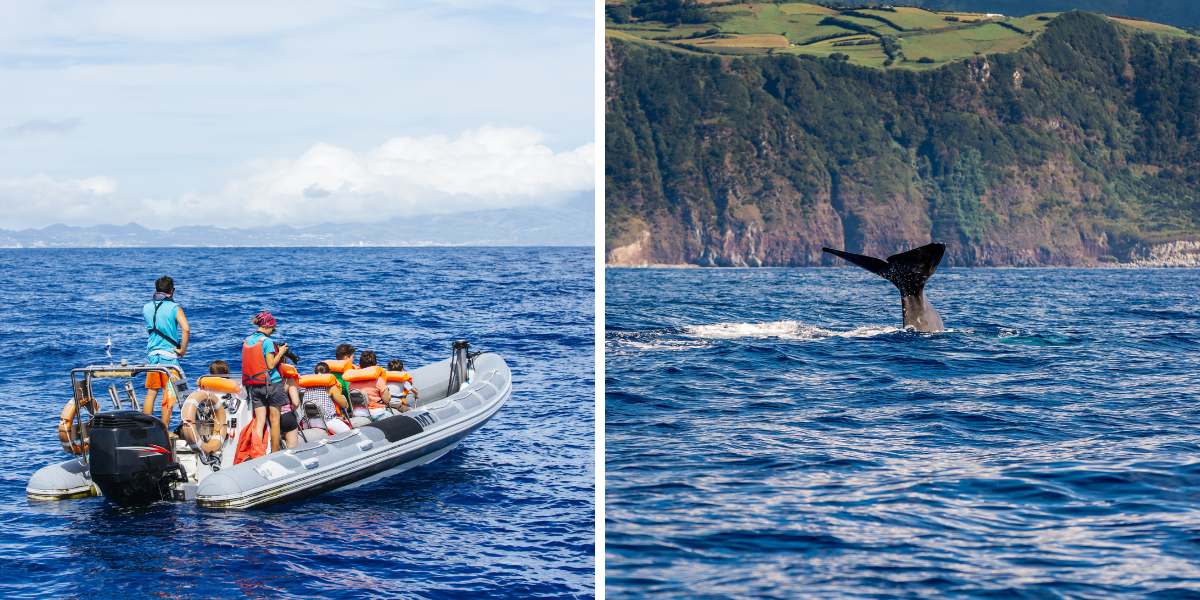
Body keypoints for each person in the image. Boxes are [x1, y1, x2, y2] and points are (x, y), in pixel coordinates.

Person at [241, 312, 290, 453]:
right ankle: (274, 453)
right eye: (273, 328)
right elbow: (270, 365)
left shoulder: (248, 340)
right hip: (272, 385)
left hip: (254, 386)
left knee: (260, 421)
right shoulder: (267, 342)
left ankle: (257, 452)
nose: (273, 331)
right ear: (268, 326)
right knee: (275, 421)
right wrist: (280, 352)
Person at [142, 276, 190, 419]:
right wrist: (182, 350)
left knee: (151, 393)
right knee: (169, 394)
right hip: (169, 356)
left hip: (152, 356)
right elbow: (186, 329)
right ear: (171, 290)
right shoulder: (174, 307)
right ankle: (165, 428)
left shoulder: (146, 307)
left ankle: (147, 427)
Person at [303, 362, 351, 434]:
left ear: (314, 373)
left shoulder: (307, 388)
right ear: (329, 373)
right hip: (326, 422)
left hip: (307, 423)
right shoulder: (331, 387)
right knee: (350, 433)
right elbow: (344, 405)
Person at [347, 350, 391, 419]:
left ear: (360, 364)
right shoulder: (378, 380)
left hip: (357, 413)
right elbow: (386, 399)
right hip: (376, 413)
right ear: (375, 364)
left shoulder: (352, 381)